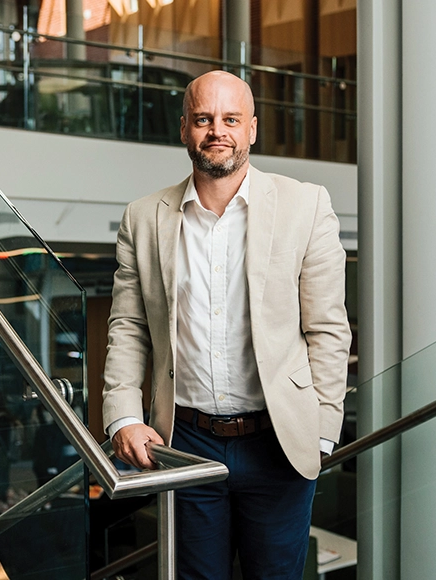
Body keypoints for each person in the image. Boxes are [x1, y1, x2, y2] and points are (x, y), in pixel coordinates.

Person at [102, 70, 351, 580]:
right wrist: (123, 416)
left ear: (252, 129)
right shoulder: (143, 217)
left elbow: (327, 329)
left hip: (278, 444)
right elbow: (128, 326)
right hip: (185, 445)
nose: (218, 130)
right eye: (204, 119)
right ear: (184, 130)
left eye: (231, 119)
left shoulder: (307, 205)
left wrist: (323, 432)